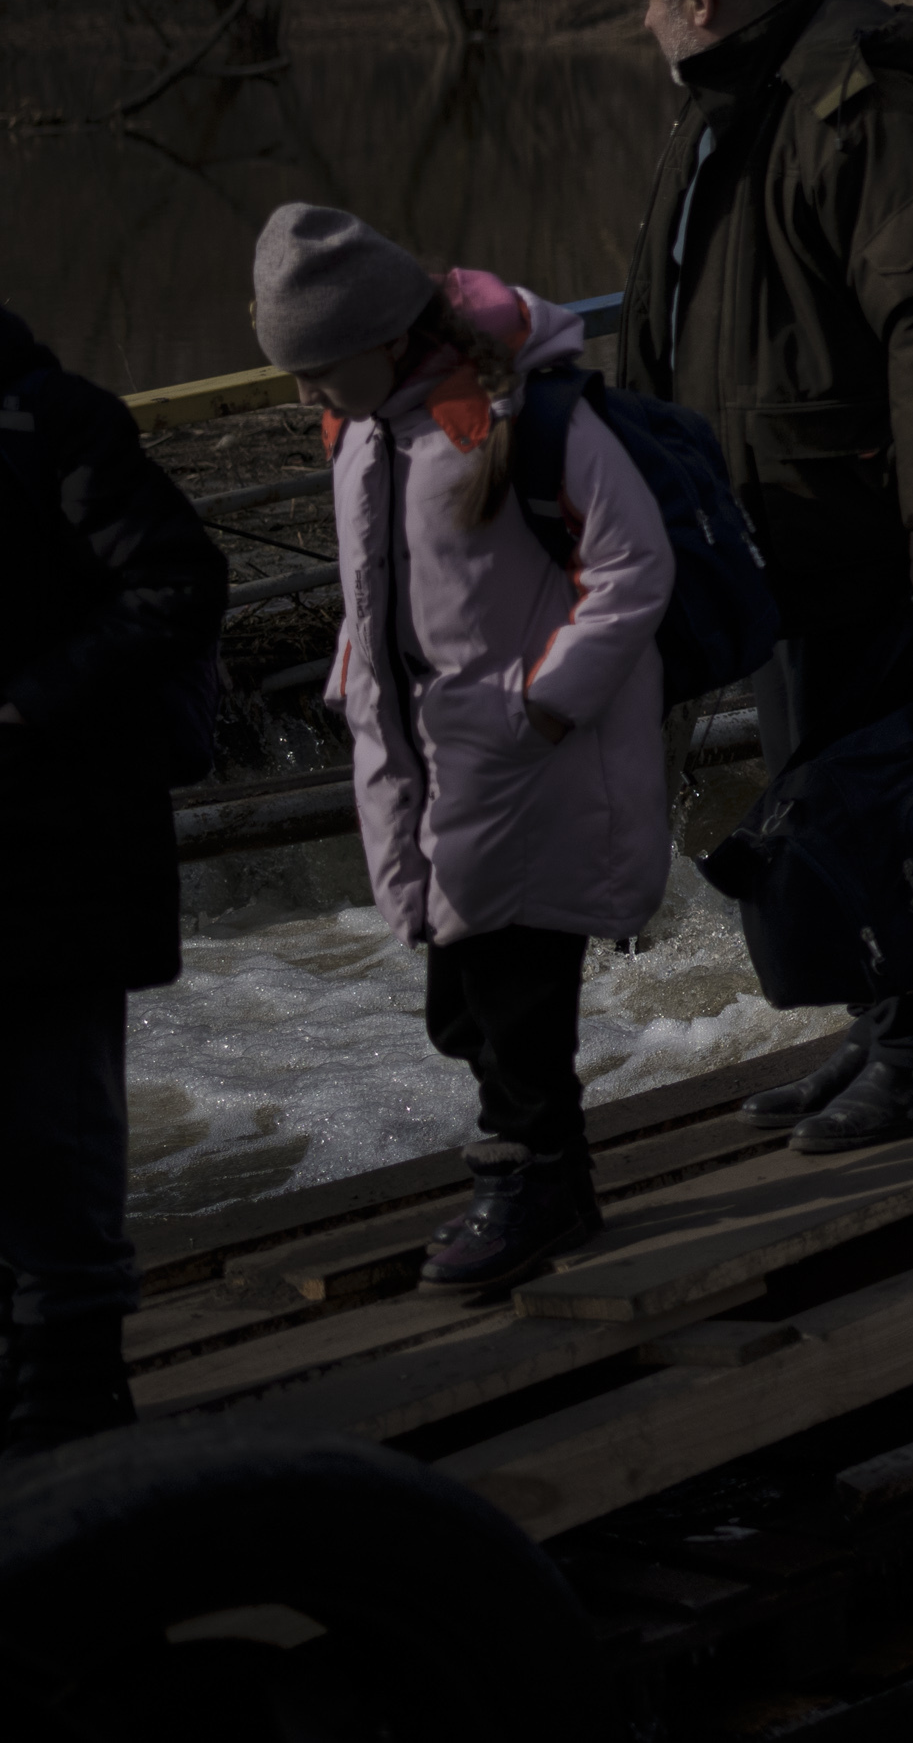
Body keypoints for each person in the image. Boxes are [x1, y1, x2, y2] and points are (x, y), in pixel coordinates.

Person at [612, 0, 913, 1152]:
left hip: (871, 527)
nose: (639, 19)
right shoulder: (738, 101)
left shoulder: (860, 101)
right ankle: (874, 1029)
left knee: (880, 791)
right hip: (773, 530)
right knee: (820, 789)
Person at [254, 213, 672, 1297]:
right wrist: (355, 677)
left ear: (387, 339)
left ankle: (529, 1182)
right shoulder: (362, 430)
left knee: (516, 988)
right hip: (424, 759)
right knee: (461, 1001)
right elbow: (374, 581)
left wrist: (541, 709)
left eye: (315, 370)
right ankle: (553, 1178)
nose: (305, 396)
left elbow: (633, 568)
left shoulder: (526, 415)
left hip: (529, 756)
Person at [0, 299, 225, 1450]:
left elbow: (182, 585)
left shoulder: (53, 424)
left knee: (55, 1127)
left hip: (60, 848)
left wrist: (28, 705)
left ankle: (79, 1393)